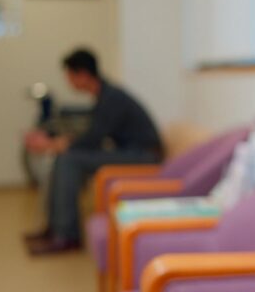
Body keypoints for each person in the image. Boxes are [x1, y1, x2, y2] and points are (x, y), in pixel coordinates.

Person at [24, 48, 163, 255]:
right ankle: (55, 228)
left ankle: (67, 235)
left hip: (142, 157)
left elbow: (93, 139)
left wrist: (54, 145)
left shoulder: (112, 97)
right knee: (65, 158)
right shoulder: (105, 95)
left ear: (82, 75)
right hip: (130, 152)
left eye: (69, 76)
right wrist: (60, 144)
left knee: (68, 160)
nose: (68, 81)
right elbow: (93, 136)